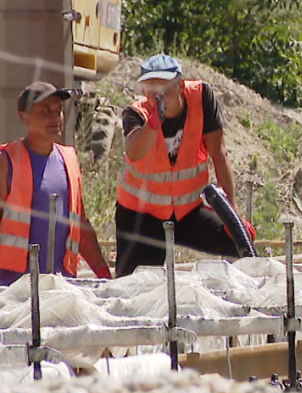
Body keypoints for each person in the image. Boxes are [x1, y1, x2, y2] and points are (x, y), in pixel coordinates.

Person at [115, 55, 254, 276]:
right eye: (151, 89)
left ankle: (237, 296)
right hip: (141, 215)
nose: (158, 97)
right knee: (135, 284)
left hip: (186, 209)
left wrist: (232, 216)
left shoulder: (201, 97)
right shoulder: (137, 114)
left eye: (165, 89)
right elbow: (134, 151)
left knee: (235, 239)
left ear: (180, 85)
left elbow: (219, 153)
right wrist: (153, 124)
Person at [0, 82, 111, 284]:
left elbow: (81, 227)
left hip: (61, 286)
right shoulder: (6, 162)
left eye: (58, 111)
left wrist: (104, 275)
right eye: (45, 111)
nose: (55, 118)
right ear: (23, 116)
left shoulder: (69, 159)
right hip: (12, 289)